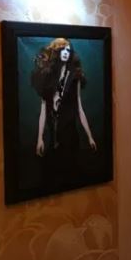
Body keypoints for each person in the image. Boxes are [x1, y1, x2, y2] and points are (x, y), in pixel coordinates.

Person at [31, 38, 97, 188]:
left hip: (70, 137)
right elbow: (43, 111)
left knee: (71, 178)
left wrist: (90, 136)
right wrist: (39, 138)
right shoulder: (47, 78)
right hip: (52, 138)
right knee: (52, 180)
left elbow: (80, 108)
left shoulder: (75, 77)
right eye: (62, 49)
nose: (66, 52)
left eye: (68, 50)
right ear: (56, 52)